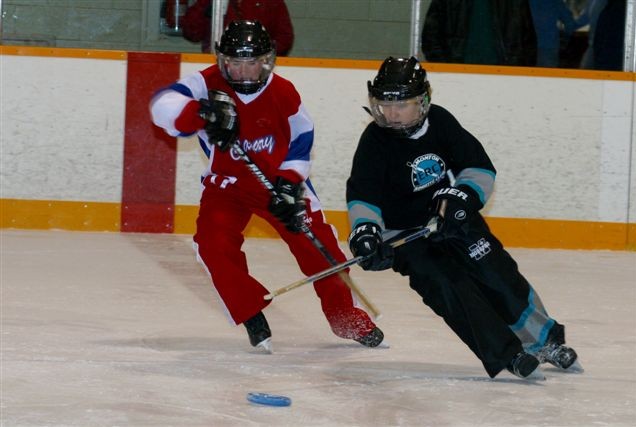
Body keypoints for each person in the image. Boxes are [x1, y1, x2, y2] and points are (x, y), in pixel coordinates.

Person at [150, 20, 384, 353]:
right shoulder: (206, 84)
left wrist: (289, 184)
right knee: (212, 245)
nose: (244, 71)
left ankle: (345, 316)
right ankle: (250, 311)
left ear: (267, 61)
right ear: (222, 60)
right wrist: (202, 114)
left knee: (321, 249)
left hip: (278, 185)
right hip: (227, 187)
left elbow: (302, 140)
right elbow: (162, 107)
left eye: (252, 62)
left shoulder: (283, 91)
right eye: (235, 62)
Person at [346, 56, 582, 380]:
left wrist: (461, 198)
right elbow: (363, 194)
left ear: (423, 101)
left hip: (450, 220)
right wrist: (367, 233)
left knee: (499, 275)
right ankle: (508, 354)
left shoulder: (441, 122)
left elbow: (478, 168)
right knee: (449, 287)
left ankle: (544, 340)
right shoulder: (375, 140)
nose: (392, 113)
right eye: (386, 104)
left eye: (402, 104)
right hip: (405, 236)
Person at [421, 0, 537, 66]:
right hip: (457, 75)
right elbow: (431, 37)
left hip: (504, 76)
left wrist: (516, 72)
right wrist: (447, 68)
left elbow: (528, 42)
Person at [182, 0, 294, 55]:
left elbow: (285, 38)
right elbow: (191, 33)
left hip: (257, 69)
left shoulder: (270, 2)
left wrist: (259, 54)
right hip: (217, 66)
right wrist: (206, 5)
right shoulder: (215, 2)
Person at [528, 0, 588, 67]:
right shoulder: (554, 2)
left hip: (526, 48)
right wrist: (588, 16)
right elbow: (570, 24)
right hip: (548, 45)